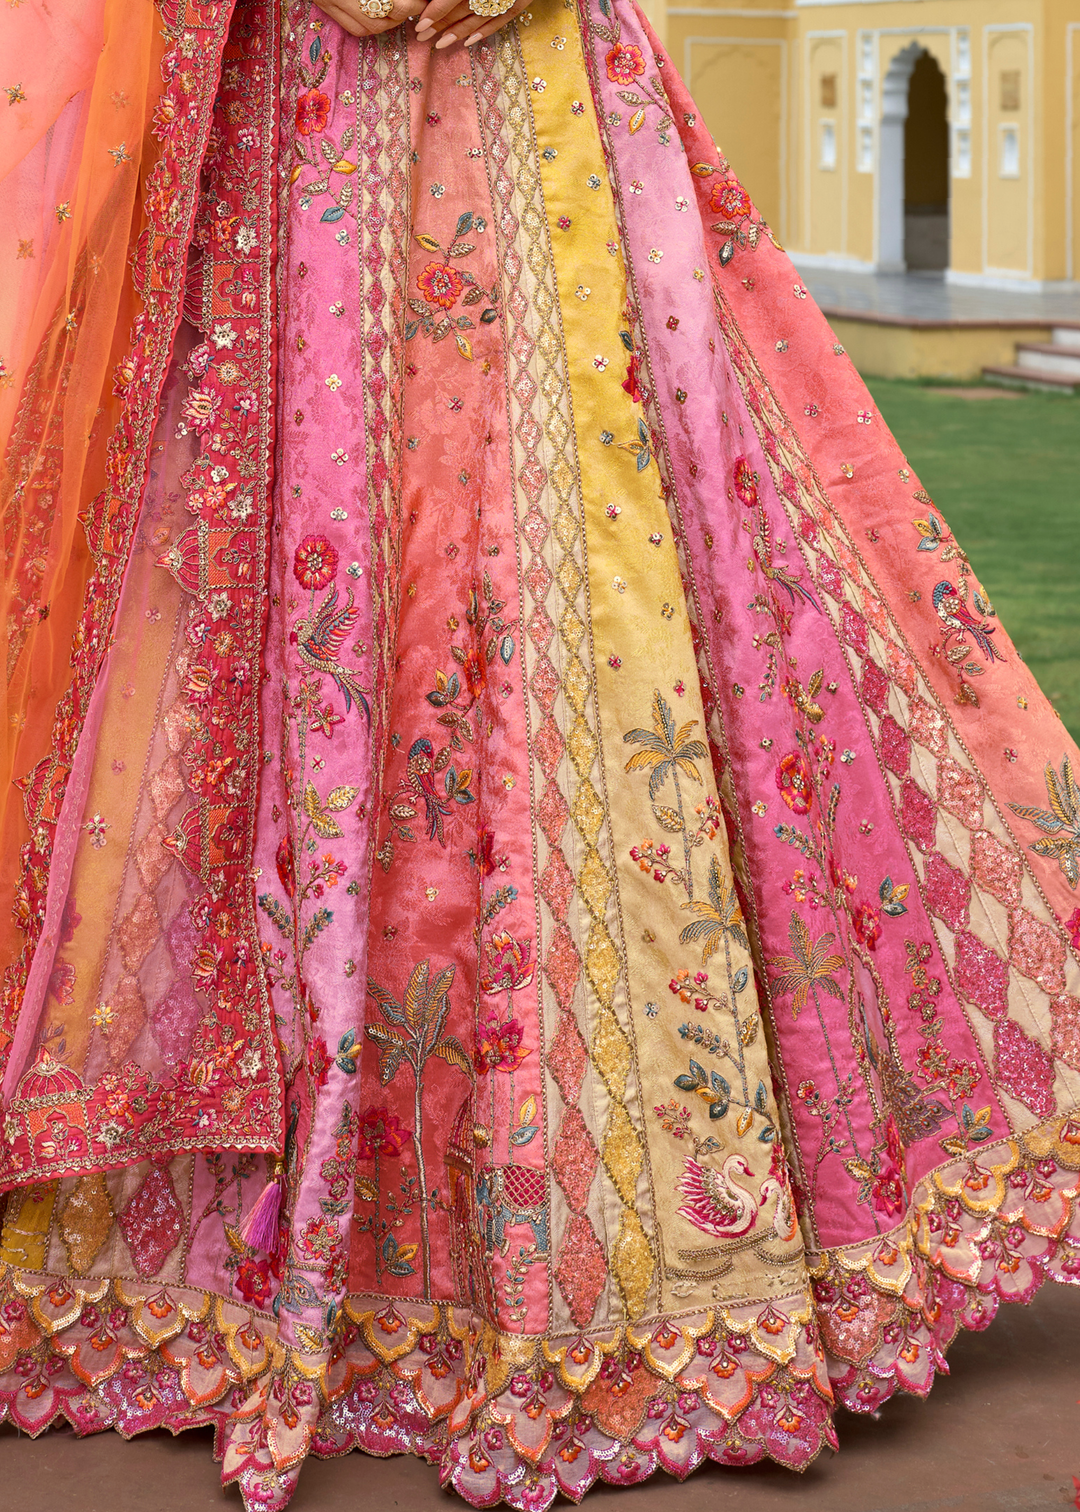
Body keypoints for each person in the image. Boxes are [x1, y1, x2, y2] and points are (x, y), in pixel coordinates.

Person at [0, 0, 1077, 1506]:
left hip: (534, 102)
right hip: (294, 117)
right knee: (264, 580)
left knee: (593, 574)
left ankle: (633, 1247)